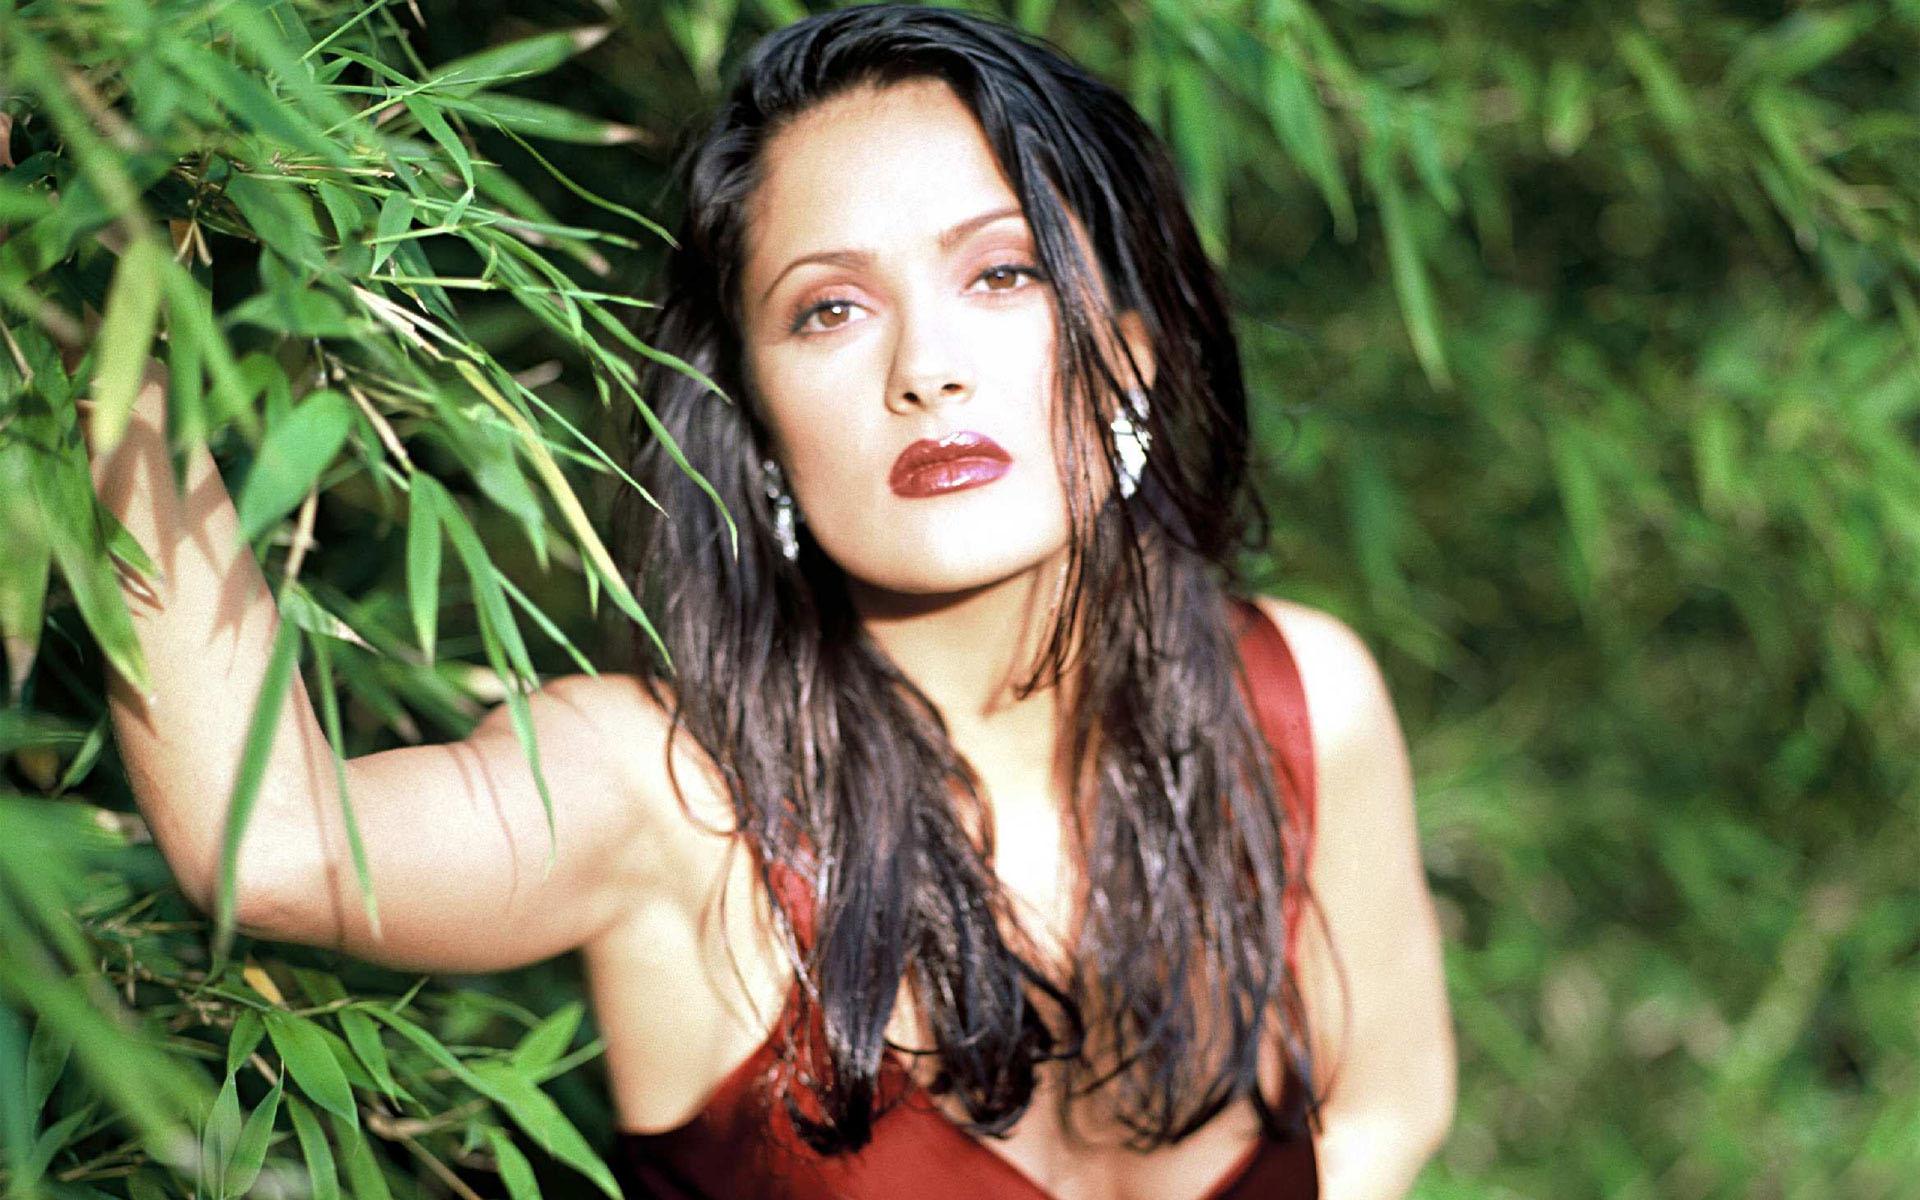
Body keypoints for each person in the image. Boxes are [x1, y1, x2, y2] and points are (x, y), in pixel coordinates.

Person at [89, 5, 1452, 1198]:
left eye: (1002, 272)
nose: (926, 367)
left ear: (1134, 356)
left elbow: (1390, 1103)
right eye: (828, 311)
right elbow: (274, 842)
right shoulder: (669, 796)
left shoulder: (1297, 700)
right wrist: (109, 304)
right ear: (754, 420)